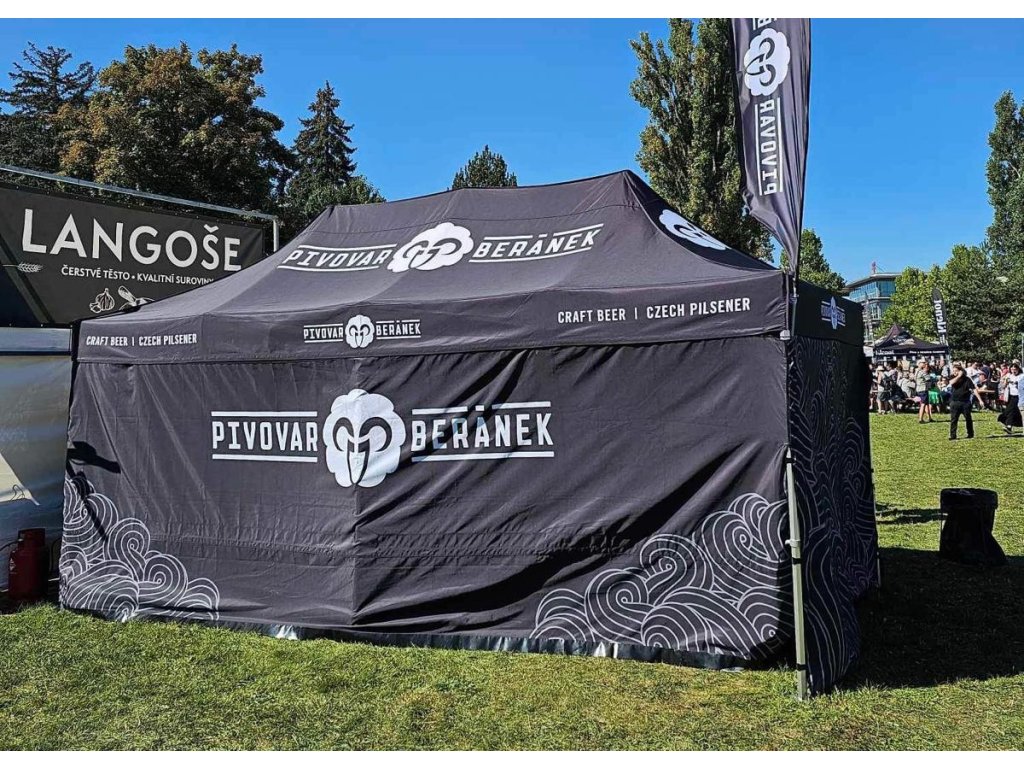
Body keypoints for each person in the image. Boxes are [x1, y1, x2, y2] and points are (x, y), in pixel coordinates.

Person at [948, 362, 976, 440]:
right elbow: (951, 382)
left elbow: (973, 389)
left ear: (961, 371)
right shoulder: (952, 377)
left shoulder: (967, 379)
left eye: (956, 371)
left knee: (968, 418)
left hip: (965, 402)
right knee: (954, 419)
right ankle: (953, 435)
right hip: (955, 402)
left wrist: (980, 400)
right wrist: (958, 376)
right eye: (953, 371)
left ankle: (970, 433)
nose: (954, 372)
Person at [998, 363, 1023, 435]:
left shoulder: (1021, 376)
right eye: (1012, 369)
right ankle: (1009, 426)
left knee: (1011, 411)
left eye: (1015, 369)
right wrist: (1006, 382)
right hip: (1011, 396)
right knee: (1010, 411)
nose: (1013, 371)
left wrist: (1016, 383)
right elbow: (1003, 386)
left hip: (1019, 396)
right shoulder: (1009, 376)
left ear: (1018, 369)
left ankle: (1009, 426)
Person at [914, 358, 933, 423]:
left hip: (919, 389)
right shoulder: (922, 372)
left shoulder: (916, 371)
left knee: (926, 404)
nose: (925, 364)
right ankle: (920, 419)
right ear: (919, 364)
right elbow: (928, 379)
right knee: (923, 404)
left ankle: (929, 418)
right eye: (923, 363)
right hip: (923, 389)